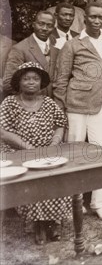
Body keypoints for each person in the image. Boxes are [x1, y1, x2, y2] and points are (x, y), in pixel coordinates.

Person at [53, 2, 102, 221]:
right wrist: (60, 107)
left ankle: (99, 203)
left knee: (101, 151)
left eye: (101, 17)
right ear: (84, 19)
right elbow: (61, 78)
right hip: (77, 104)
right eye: (92, 17)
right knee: (75, 153)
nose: (97, 21)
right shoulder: (73, 44)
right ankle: (75, 202)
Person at [0, 62, 70, 244]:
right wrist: (30, 149)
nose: (31, 82)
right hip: (18, 152)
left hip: (47, 151)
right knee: (33, 180)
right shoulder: (9, 103)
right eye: (26, 79)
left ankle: (51, 223)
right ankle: (38, 224)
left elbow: (60, 124)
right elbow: (3, 132)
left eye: (35, 79)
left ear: (41, 83)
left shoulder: (48, 102)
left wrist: (54, 144)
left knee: (58, 175)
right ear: (18, 82)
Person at [3, 11, 58, 97]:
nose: (44, 28)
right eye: (41, 24)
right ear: (33, 24)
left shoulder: (56, 49)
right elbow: (8, 82)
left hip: (53, 104)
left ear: (54, 28)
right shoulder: (20, 48)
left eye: (49, 25)